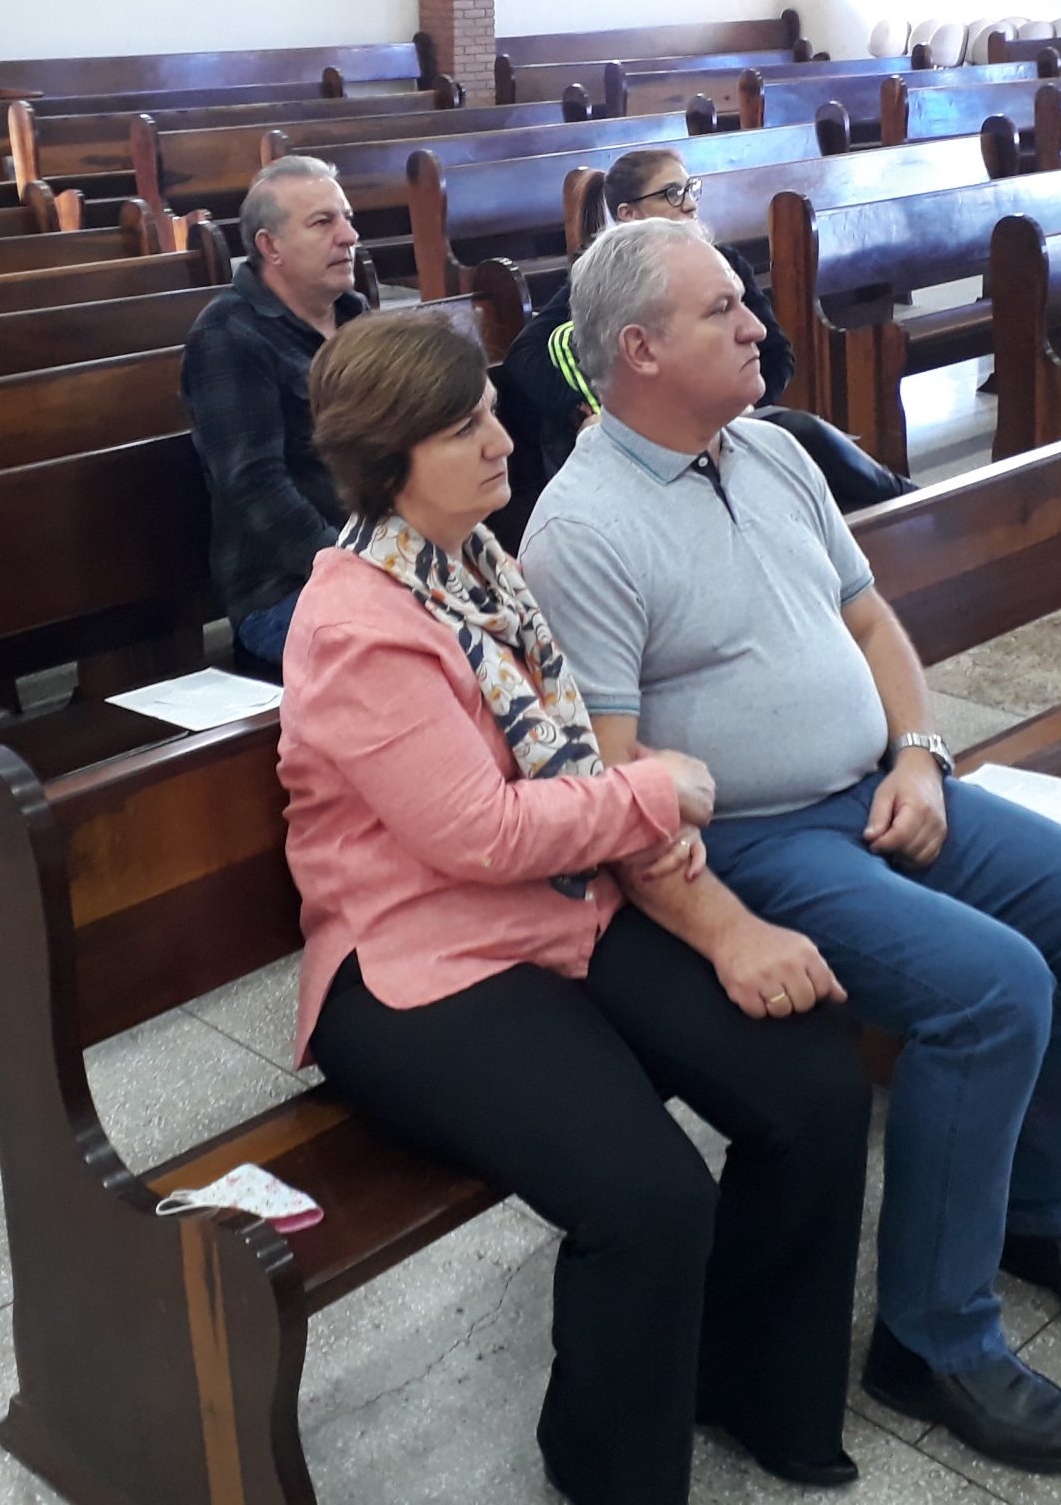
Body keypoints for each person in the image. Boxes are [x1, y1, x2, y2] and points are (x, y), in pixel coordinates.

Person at [520, 218, 1061, 1479]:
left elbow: (872, 623)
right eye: (723, 310)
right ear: (640, 350)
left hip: (882, 785)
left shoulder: (771, 450)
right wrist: (724, 929)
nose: (756, 324)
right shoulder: (582, 529)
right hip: (756, 843)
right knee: (993, 991)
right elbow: (611, 781)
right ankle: (933, 1339)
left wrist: (921, 753)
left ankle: (1039, 1215)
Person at [279, 308, 873, 1505]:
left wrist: (691, 886)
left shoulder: (475, 564)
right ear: (389, 460)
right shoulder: (354, 625)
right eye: (464, 428)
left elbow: (564, 761)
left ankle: (748, 1380)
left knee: (812, 1082)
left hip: (556, 913)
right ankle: (607, 1470)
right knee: (647, 1199)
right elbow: (479, 833)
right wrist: (656, 793)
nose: (503, 441)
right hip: (419, 968)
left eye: (491, 413)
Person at [503, 147, 917, 509]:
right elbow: (525, 356)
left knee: (803, 447)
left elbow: (776, 354)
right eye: (671, 194)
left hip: (728, 423)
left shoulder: (724, 263)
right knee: (803, 436)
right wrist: (596, 408)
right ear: (628, 214)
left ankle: (911, 505)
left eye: (690, 189)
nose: (689, 204)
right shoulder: (605, 278)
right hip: (653, 437)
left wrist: (742, 403)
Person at [180, 155, 365, 663]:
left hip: (378, 561)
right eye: (323, 222)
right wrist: (354, 569)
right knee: (422, 654)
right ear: (270, 246)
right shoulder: (229, 335)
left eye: (347, 218)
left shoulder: (355, 318)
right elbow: (254, 485)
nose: (349, 236)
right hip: (285, 590)